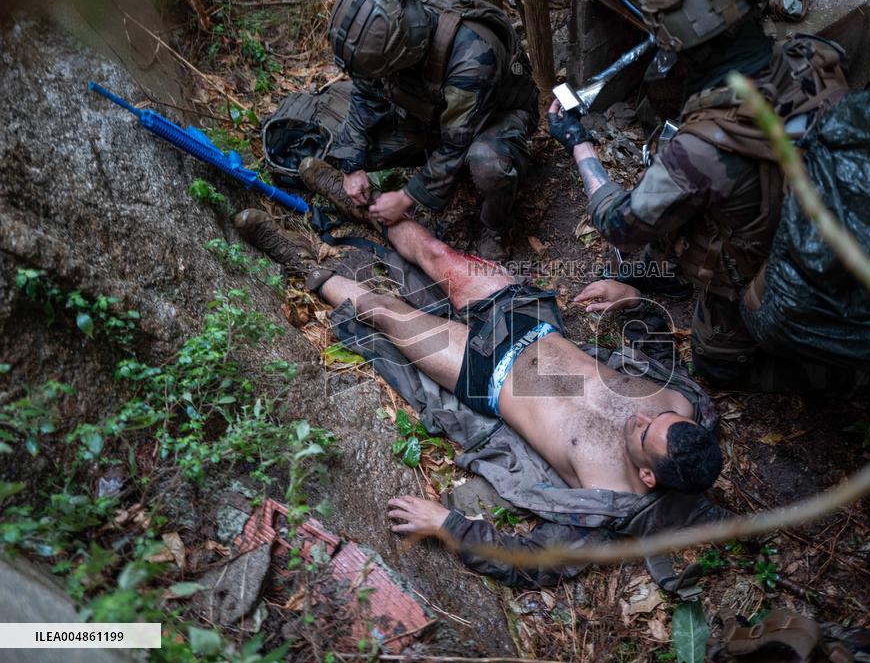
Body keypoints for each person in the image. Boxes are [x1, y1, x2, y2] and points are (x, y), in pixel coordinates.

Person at [232, 208, 723, 569]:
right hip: (530, 322)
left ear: (648, 476)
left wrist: (446, 525)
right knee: (435, 253)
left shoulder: (607, 497)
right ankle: (358, 202)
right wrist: (630, 298)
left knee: (384, 313)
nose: (642, 416)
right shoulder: (681, 403)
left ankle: (302, 264)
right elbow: (656, 348)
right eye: (656, 417)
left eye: (644, 432)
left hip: (484, 372)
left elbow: (533, 560)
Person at [548, 0, 870, 395]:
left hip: (783, 259)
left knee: (716, 364)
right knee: (681, 202)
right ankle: (667, 273)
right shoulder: (811, 54)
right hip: (819, 212)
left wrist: (579, 142)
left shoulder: (705, 148)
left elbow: (619, 225)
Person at [300, 0, 539, 260]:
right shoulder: (384, 38)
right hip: (436, 115)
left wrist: (406, 197)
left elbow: (456, 144)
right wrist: (352, 166)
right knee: (352, 144)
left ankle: (496, 227)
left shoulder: (472, 56)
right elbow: (365, 95)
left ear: (404, 51)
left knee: (487, 162)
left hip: (497, 115)